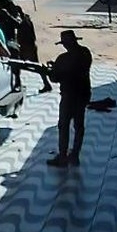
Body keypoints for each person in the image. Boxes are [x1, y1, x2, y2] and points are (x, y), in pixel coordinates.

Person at [46, 30, 93, 168]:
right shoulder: (85, 53)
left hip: (69, 96)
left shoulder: (63, 59)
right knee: (79, 126)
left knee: (64, 125)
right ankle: (75, 155)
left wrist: (52, 70)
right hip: (83, 93)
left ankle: (62, 157)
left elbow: (55, 78)